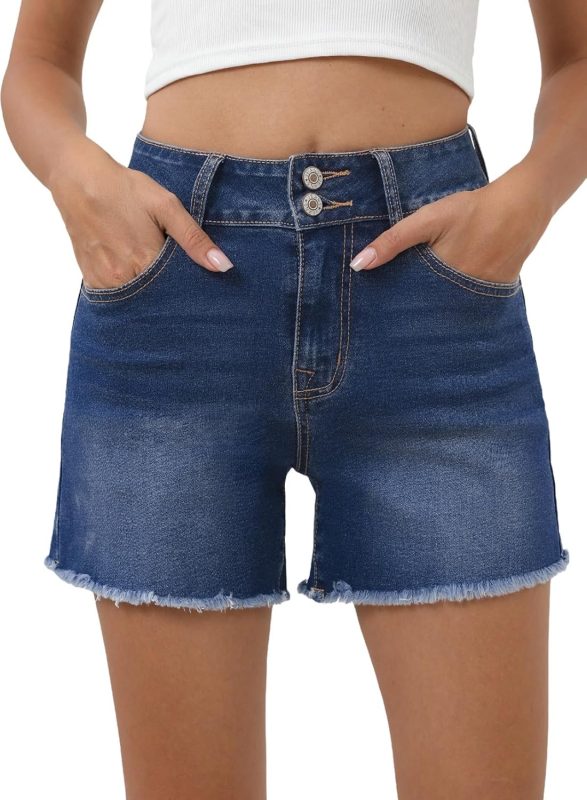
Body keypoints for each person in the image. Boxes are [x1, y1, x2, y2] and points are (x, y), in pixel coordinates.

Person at [2, 1, 584, 798]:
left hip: (434, 297)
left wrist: (527, 200)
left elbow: (577, 58)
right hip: (179, 287)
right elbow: (39, 60)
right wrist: (78, 178)